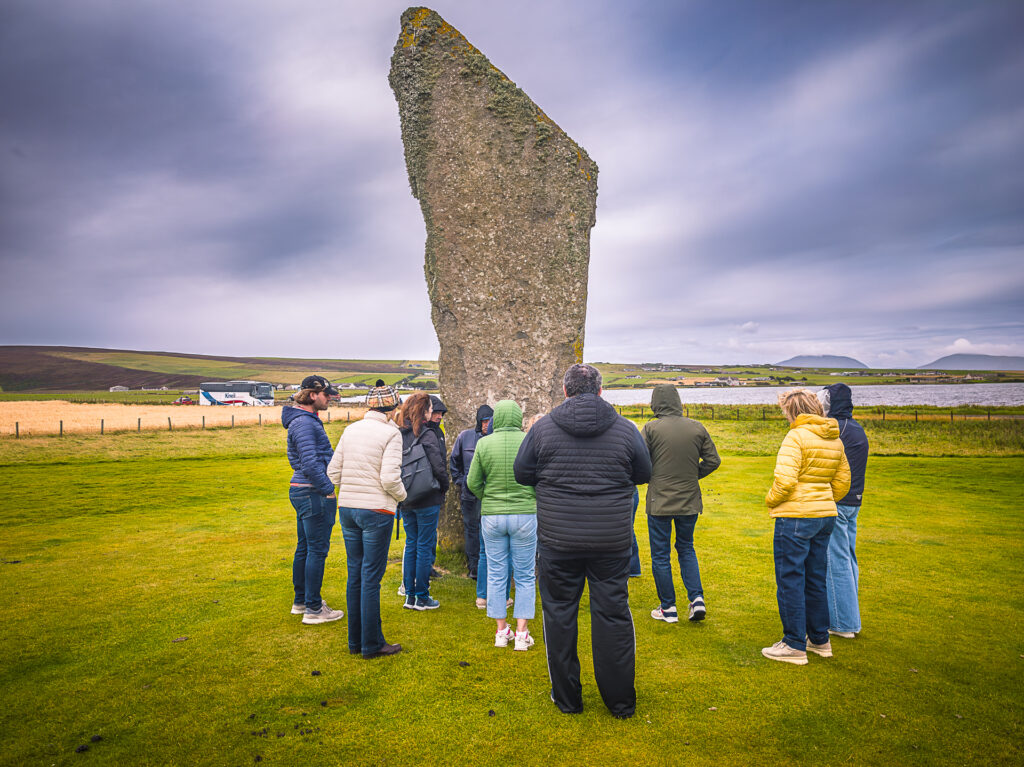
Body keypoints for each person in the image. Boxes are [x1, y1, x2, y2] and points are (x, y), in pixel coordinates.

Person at [514, 364, 652, 718]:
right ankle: (620, 702)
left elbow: (523, 472)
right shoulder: (625, 428)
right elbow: (643, 472)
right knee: (613, 615)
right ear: (600, 390)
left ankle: (567, 699)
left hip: (560, 540)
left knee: (559, 615)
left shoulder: (543, 428)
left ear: (565, 390)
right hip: (610, 538)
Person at [762, 389, 850, 665]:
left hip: (796, 516)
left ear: (793, 411)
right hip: (825, 514)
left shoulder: (796, 436)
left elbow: (785, 481)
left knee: (790, 578)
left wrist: (770, 500)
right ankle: (819, 639)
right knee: (815, 577)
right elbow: (842, 481)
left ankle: (793, 643)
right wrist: (824, 500)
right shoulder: (834, 438)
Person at [326, 380, 406, 658]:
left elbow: (333, 474)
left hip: (348, 508)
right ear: (392, 407)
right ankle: (371, 644)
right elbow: (389, 478)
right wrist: (402, 496)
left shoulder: (350, 430)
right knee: (371, 577)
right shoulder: (391, 435)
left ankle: (355, 641)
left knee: (355, 575)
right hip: (377, 511)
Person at [642, 384, 721, 623]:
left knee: (661, 555)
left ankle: (668, 607)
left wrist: (653, 476)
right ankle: (696, 599)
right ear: (678, 401)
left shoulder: (650, 428)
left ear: (655, 402)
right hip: (689, 500)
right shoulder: (696, 427)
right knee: (686, 548)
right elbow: (713, 460)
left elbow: (641, 461)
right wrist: (692, 475)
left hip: (659, 501)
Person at [467, 400, 538, 651]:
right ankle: (521, 632)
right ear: (519, 417)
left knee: (497, 573)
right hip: (525, 514)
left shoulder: (484, 443)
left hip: (492, 515)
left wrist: (488, 497)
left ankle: (501, 631)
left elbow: (472, 481)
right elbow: (539, 477)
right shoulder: (529, 440)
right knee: (525, 574)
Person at [283, 375, 344, 625]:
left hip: (302, 489)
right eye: (326, 394)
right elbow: (308, 462)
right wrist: (328, 488)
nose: (329, 398)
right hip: (312, 492)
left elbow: (298, 459)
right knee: (316, 550)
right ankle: (314, 609)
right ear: (312, 395)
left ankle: (302, 602)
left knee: (305, 547)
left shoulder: (302, 421)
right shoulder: (306, 423)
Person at [818, 383, 869, 639]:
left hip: (838, 501)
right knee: (848, 558)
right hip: (853, 501)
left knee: (835, 559)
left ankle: (843, 622)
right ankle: (849, 615)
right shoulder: (856, 428)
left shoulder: (836, 429)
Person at [398, 392, 450, 610]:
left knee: (411, 544)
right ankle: (422, 596)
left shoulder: (399, 434)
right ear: (423, 411)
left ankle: (409, 595)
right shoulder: (427, 434)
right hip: (427, 496)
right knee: (424, 545)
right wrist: (444, 486)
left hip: (406, 496)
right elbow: (438, 466)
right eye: (429, 409)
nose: (432, 412)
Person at [450, 404, 494, 604]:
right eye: (484, 421)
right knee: (471, 530)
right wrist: (460, 481)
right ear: (478, 421)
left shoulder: (495, 439)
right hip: (469, 494)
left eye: (489, 421)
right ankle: (474, 568)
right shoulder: (465, 437)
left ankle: (488, 570)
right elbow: (454, 461)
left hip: (490, 494)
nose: (486, 425)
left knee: (489, 531)